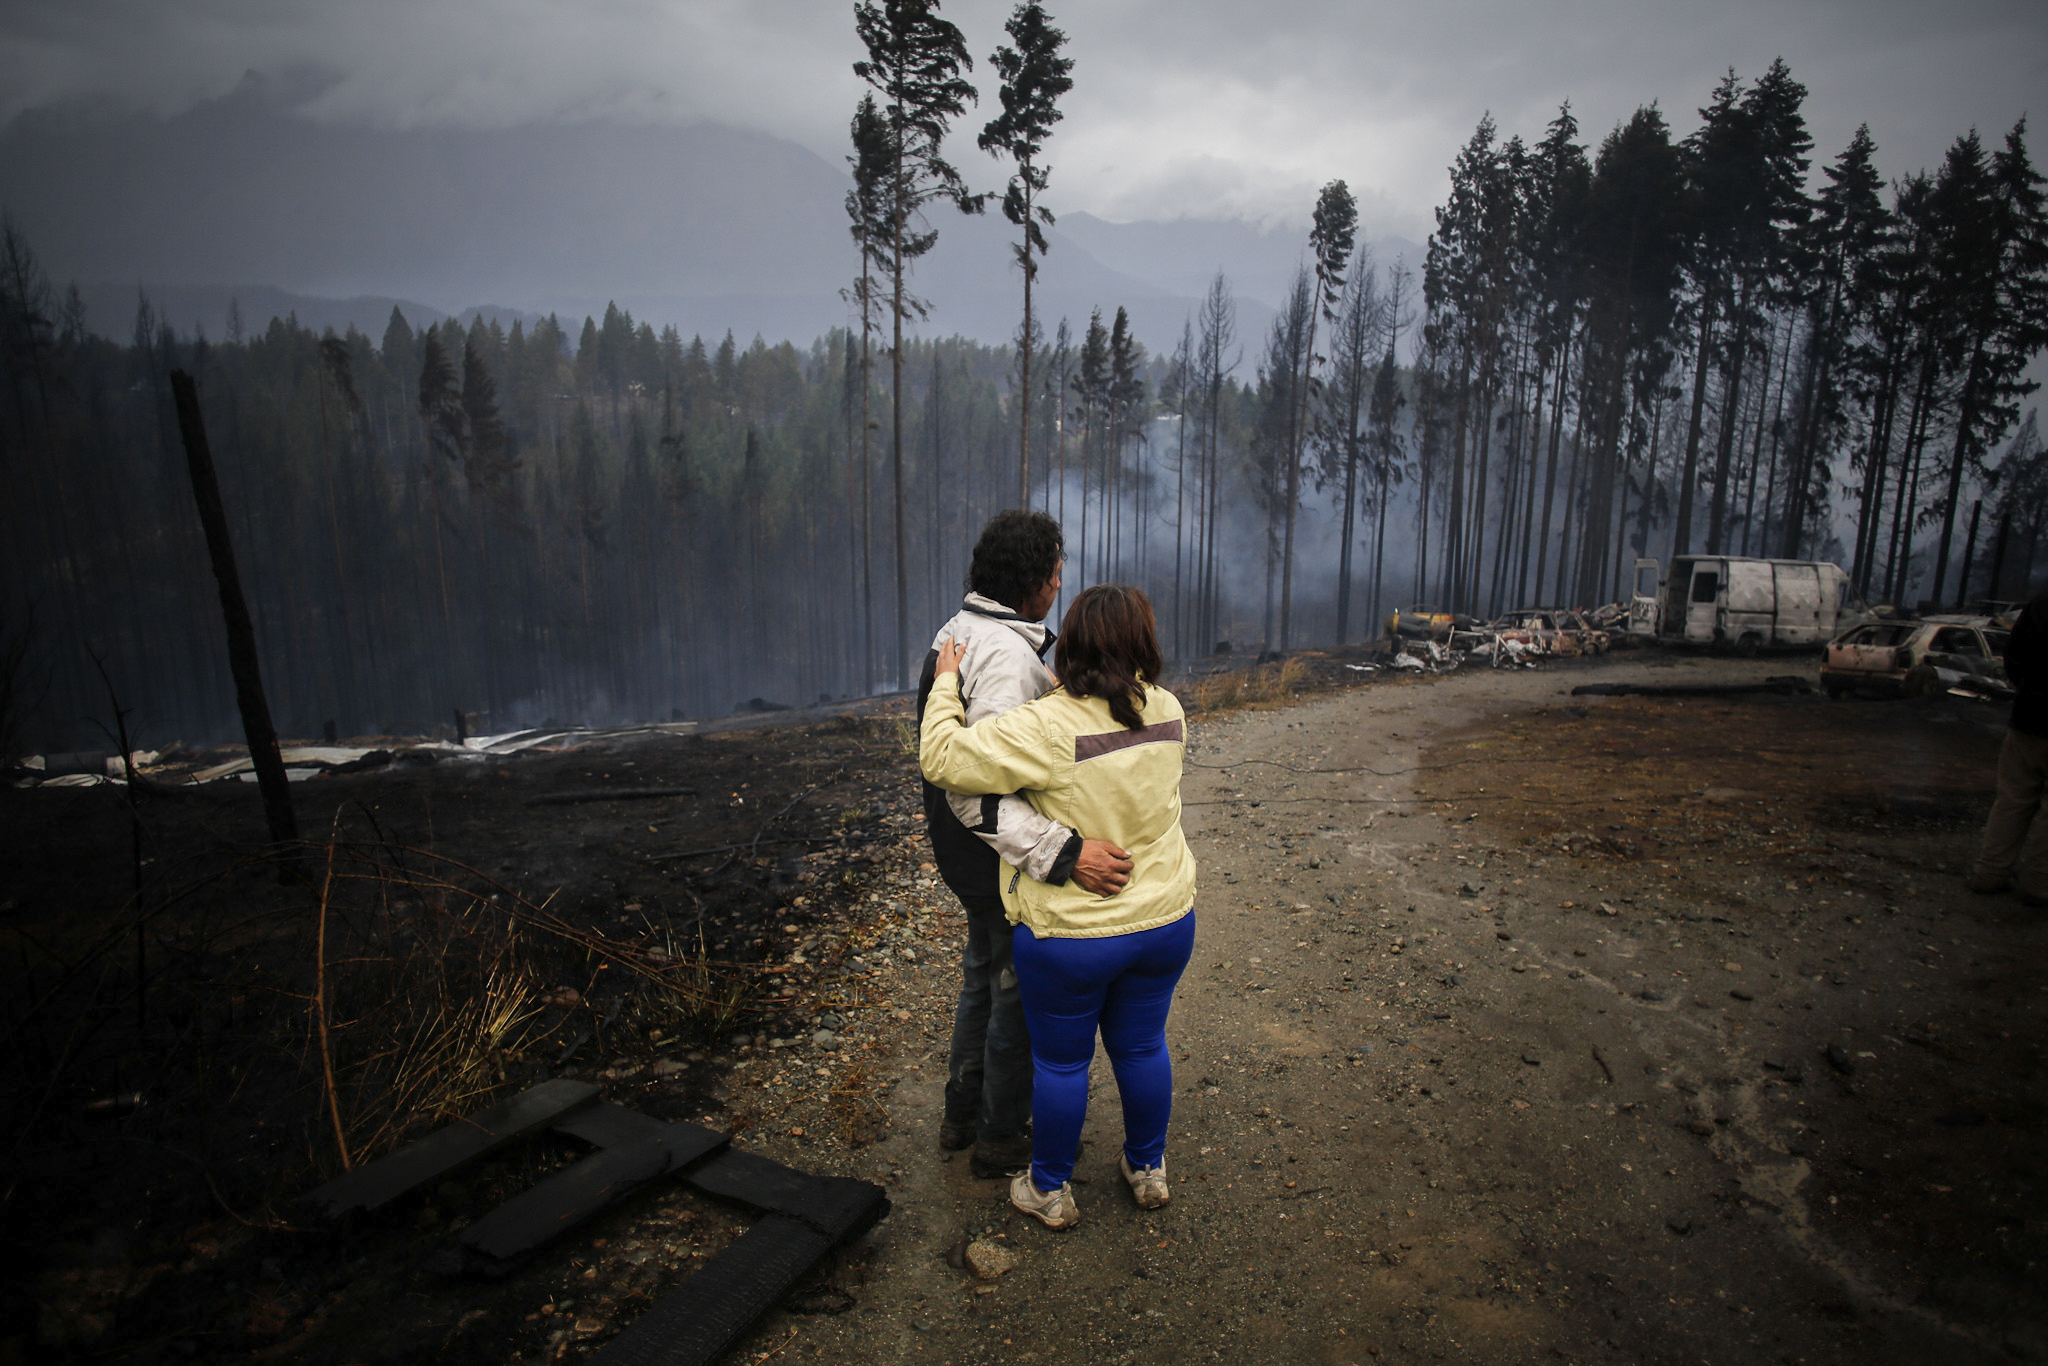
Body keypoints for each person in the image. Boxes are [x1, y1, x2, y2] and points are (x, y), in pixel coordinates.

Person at [921, 584, 1196, 1230]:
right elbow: (1106, 743)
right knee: (1141, 1047)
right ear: (1143, 646)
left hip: (1074, 935)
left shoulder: (1047, 726)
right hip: (1162, 923)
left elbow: (941, 759)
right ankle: (1147, 1167)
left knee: (1063, 1063)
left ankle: (1048, 1189)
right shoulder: (1170, 711)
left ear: (1068, 643)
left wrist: (947, 682)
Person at [917, 511, 1135, 1180]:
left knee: (983, 975)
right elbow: (974, 792)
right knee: (1014, 993)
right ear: (1032, 585)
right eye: (1055, 573)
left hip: (962, 858)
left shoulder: (958, 631)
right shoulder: (1008, 661)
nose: (1061, 582)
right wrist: (1066, 852)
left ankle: (962, 1111)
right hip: (994, 860)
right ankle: (1001, 1138)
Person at [1970, 589, 2048, 906]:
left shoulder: (2041, 605)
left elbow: (2013, 654)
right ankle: (2039, 882)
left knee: (2013, 798)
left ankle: (1990, 872)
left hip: (2029, 718)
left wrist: (2027, 689)